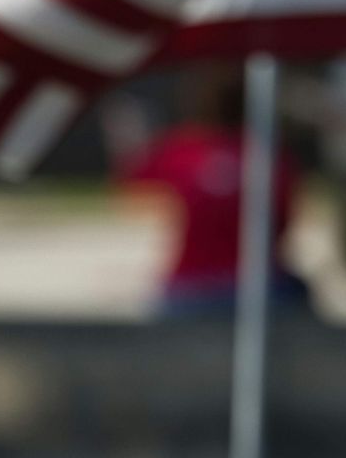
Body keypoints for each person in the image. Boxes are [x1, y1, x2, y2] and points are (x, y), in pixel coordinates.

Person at [106, 69, 307, 318]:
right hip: (257, 283)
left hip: (190, 285)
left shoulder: (182, 150)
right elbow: (285, 222)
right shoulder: (269, 156)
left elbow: (131, 180)